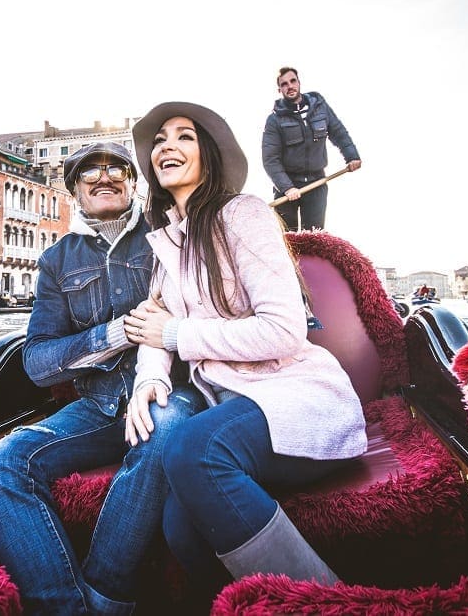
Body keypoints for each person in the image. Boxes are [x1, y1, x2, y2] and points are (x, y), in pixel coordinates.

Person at [125, 102, 368, 590]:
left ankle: (326, 603)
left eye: (183, 137)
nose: (167, 146)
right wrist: (149, 377)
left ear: (209, 155)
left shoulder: (244, 214)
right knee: (179, 521)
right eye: (159, 141)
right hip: (239, 409)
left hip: (297, 399)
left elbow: (283, 329)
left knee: (192, 449)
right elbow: (152, 324)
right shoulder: (167, 243)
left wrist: (176, 336)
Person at [0, 141, 205, 615]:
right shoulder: (56, 261)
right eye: (90, 172)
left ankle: (106, 599)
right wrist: (115, 333)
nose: (105, 177)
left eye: (117, 168)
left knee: (164, 431)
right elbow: (38, 362)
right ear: (75, 190)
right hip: (99, 410)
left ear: (134, 183)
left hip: (172, 394)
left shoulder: (170, 234)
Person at [261, 67, 362, 231]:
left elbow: (339, 133)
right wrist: (287, 188)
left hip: (316, 183)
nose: (290, 86)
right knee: (288, 241)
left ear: (299, 82)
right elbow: (270, 159)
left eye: (293, 81)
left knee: (315, 238)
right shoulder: (274, 120)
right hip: (288, 188)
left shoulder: (320, 108)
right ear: (280, 89)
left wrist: (352, 156)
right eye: (284, 84)